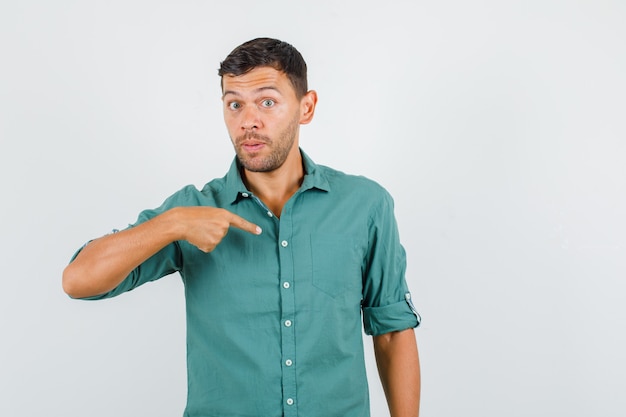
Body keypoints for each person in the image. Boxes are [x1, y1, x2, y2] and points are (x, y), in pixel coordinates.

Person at [63, 37, 421, 417]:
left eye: (267, 101)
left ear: (306, 107)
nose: (248, 120)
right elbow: (78, 280)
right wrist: (174, 223)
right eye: (235, 104)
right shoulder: (194, 210)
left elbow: (393, 331)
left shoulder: (365, 204)